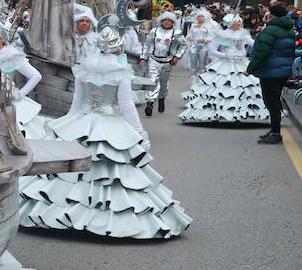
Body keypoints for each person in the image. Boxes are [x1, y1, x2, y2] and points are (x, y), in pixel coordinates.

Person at [19, 16, 191, 239]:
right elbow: (128, 106)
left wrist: (62, 127)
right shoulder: (119, 72)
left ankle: (67, 216)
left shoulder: (84, 68)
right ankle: (103, 219)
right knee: (112, 173)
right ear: (117, 47)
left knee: (71, 171)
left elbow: (76, 103)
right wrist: (140, 133)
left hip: (82, 121)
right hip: (111, 123)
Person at [178, 12, 264, 126]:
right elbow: (212, 50)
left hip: (241, 64)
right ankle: (216, 113)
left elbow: (254, 44)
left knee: (240, 89)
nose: (240, 23)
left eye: (240, 21)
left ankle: (238, 114)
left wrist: (264, 42)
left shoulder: (244, 33)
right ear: (231, 23)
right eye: (238, 21)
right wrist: (226, 55)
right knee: (221, 89)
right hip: (225, 64)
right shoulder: (221, 35)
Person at [248, 2, 298, 145]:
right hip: (282, 70)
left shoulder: (269, 31)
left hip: (270, 71)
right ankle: (273, 130)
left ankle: (275, 133)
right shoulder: (289, 30)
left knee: (271, 102)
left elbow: (261, 52)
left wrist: (250, 68)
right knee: (275, 100)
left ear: (271, 15)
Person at [0, 21, 46, 138]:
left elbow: (36, 76)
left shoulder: (11, 55)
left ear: (1, 37)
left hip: (7, 102)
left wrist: (21, 93)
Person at [142, 11, 185, 117]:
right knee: (152, 81)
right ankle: (150, 103)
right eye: (164, 20)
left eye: (169, 20)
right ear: (160, 21)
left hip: (167, 62)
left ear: (172, 22)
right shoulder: (154, 31)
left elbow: (183, 45)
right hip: (153, 60)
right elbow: (147, 45)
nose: (166, 22)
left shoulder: (177, 33)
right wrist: (143, 57)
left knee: (163, 84)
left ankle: (161, 98)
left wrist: (177, 57)